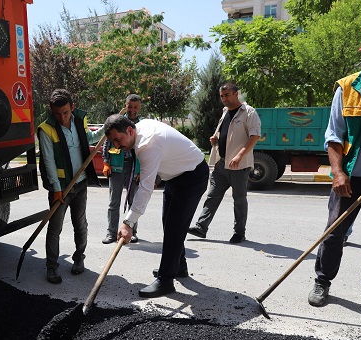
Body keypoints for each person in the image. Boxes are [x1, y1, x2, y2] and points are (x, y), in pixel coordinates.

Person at [308, 26, 361, 310]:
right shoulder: (349, 87)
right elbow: (334, 135)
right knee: (335, 229)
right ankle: (322, 280)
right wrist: (338, 172)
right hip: (352, 172)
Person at [104, 114, 209, 298]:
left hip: (192, 176)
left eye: (117, 140)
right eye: (113, 142)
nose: (117, 146)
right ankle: (178, 267)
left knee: (174, 227)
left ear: (129, 130)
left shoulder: (147, 145)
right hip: (176, 176)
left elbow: (145, 188)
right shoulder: (140, 127)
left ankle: (166, 280)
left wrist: (128, 223)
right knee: (169, 223)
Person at [37, 89, 103, 284]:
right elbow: (48, 162)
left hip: (80, 184)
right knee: (55, 227)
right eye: (57, 114)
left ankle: (79, 259)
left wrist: (104, 131)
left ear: (72, 108)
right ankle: (51, 267)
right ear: (51, 110)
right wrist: (57, 190)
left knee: (80, 224)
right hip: (61, 189)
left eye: (65, 113)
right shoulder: (46, 129)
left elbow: (88, 139)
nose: (62, 117)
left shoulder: (80, 120)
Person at [188, 82, 261, 244]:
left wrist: (240, 156)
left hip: (238, 165)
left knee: (239, 199)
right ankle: (201, 227)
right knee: (212, 196)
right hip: (221, 164)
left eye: (227, 95)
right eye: (221, 96)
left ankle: (239, 232)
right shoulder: (225, 112)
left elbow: (254, 136)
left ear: (236, 94)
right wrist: (215, 139)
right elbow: (226, 134)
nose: (224, 99)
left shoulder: (248, 112)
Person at [102, 94, 142, 244]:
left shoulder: (141, 125)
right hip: (116, 167)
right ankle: (111, 233)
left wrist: (141, 171)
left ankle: (132, 232)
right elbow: (107, 143)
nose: (132, 110)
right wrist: (106, 162)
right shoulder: (116, 121)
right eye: (129, 106)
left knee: (133, 202)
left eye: (135, 107)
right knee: (114, 202)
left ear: (139, 108)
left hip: (133, 168)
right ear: (125, 105)